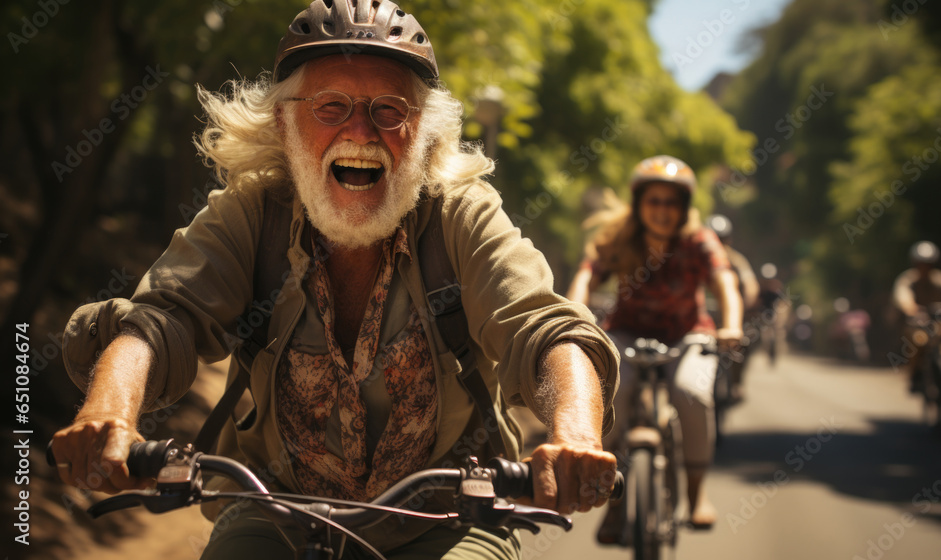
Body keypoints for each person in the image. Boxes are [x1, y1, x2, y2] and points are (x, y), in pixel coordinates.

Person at [50, 2, 620, 558]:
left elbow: (544, 326)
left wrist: (575, 433)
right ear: (284, 121)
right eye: (330, 107)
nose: (361, 131)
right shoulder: (253, 214)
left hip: (451, 515)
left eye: (390, 111)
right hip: (274, 511)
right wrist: (111, 413)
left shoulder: (460, 216)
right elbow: (161, 317)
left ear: (421, 132)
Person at [567, 155, 744, 531]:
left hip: (688, 334)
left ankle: (696, 495)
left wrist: (732, 325)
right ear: (639, 203)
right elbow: (586, 276)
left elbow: (725, 282)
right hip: (626, 333)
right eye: (654, 201)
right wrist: (576, 316)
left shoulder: (699, 241)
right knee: (613, 395)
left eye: (672, 202)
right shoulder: (619, 237)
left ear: (684, 208)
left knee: (691, 394)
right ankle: (610, 500)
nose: (663, 211)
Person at [892, 241, 941, 393]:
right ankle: (915, 375)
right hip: (916, 325)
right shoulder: (907, 280)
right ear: (915, 263)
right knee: (917, 341)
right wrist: (911, 308)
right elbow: (903, 297)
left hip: (938, 325)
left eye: (928, 264)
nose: (924, 267)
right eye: (921, 263)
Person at [706, 213, 758, 401]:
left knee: (741, 346)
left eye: (721, 239)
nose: (717, 244)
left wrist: (743, 309)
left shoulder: (737, 261)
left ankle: (736, 382)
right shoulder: (696, 258)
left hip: (729, 319)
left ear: (728, 239)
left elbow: (750, 286)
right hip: (702, 319)